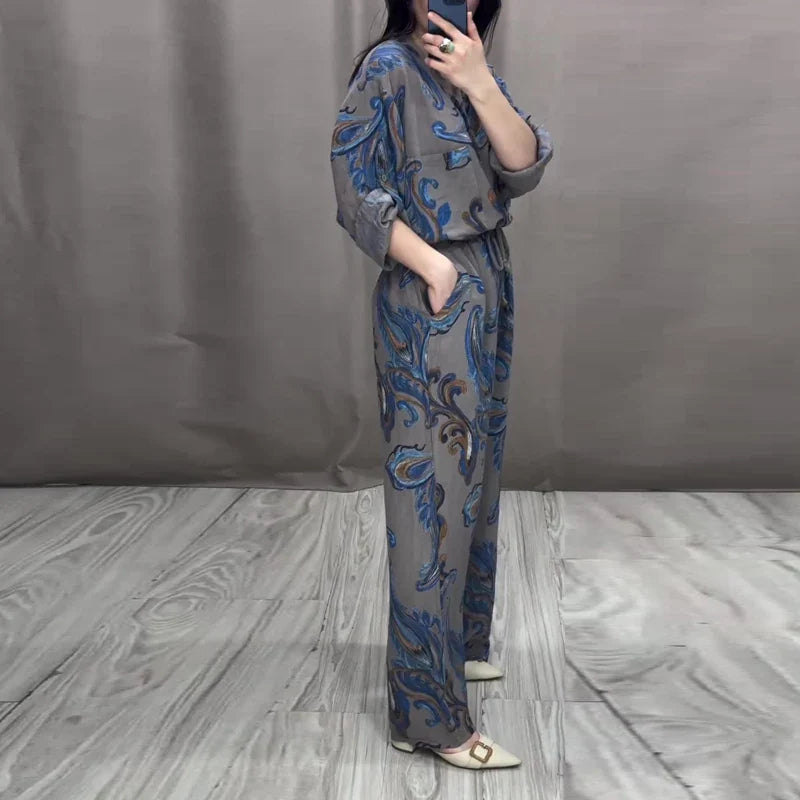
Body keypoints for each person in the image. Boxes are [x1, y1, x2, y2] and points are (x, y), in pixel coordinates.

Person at [329, 0, 553, 770]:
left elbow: (525, 167)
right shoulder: (387, 68)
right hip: (434, 290)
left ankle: (452, 651)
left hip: (489, 274)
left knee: (475, 479)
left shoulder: (469, 68)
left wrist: (481, 83)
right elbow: (354, 191)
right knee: (431, 499)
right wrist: (435, 268)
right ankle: (428, 718)